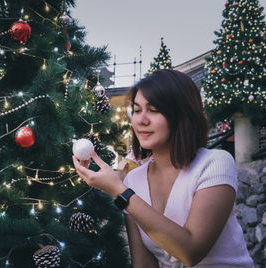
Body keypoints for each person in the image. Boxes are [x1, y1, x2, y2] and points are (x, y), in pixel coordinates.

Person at [72, 70, 254, 268]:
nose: (141, 120)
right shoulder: (134, 180)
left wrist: (119, 191)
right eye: (137, 110)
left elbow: (191, 251)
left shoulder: (215, 163)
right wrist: (123, 190)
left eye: (153, 110)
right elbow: (143, 264)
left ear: (181, 115)